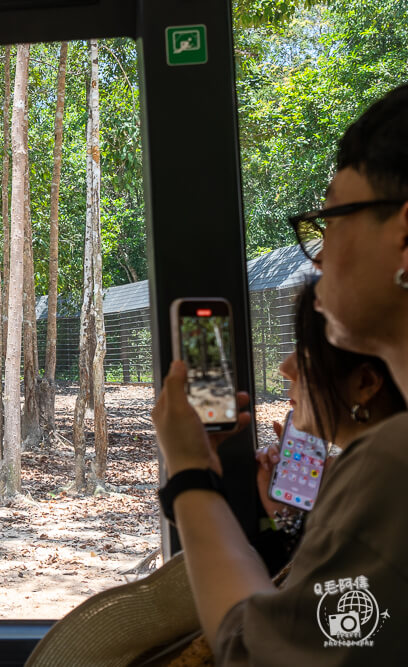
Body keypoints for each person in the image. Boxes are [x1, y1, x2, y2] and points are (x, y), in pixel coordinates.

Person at [153, 84, 408, 662]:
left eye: (331, 220)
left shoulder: (394, 466)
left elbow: (252, 652)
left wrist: (190, 472)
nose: (317, 255)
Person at [251, 278, 406, 573]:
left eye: (307, 353)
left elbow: (298, 615)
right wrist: (290, 516)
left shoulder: (385, 490)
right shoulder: (368, 476)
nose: (285, 368)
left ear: (365, 382)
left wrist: (190, 478)